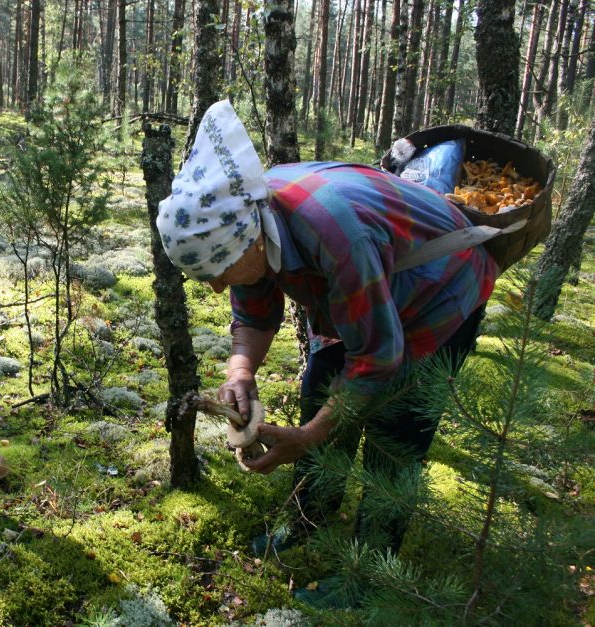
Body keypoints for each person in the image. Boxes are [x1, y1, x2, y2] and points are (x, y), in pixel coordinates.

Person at [157, 101, 497, 564]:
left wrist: (308, 437)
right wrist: (240, 372)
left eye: (219, 270)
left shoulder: (336, 234)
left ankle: (371, 571)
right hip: (363, 287)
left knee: (393, 431)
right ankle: (306, 519)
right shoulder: (247, 220)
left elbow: (377, 360)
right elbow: (254, 317)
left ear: (254, 238)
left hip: (439, 287)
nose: (216, 286)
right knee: (321, 389)